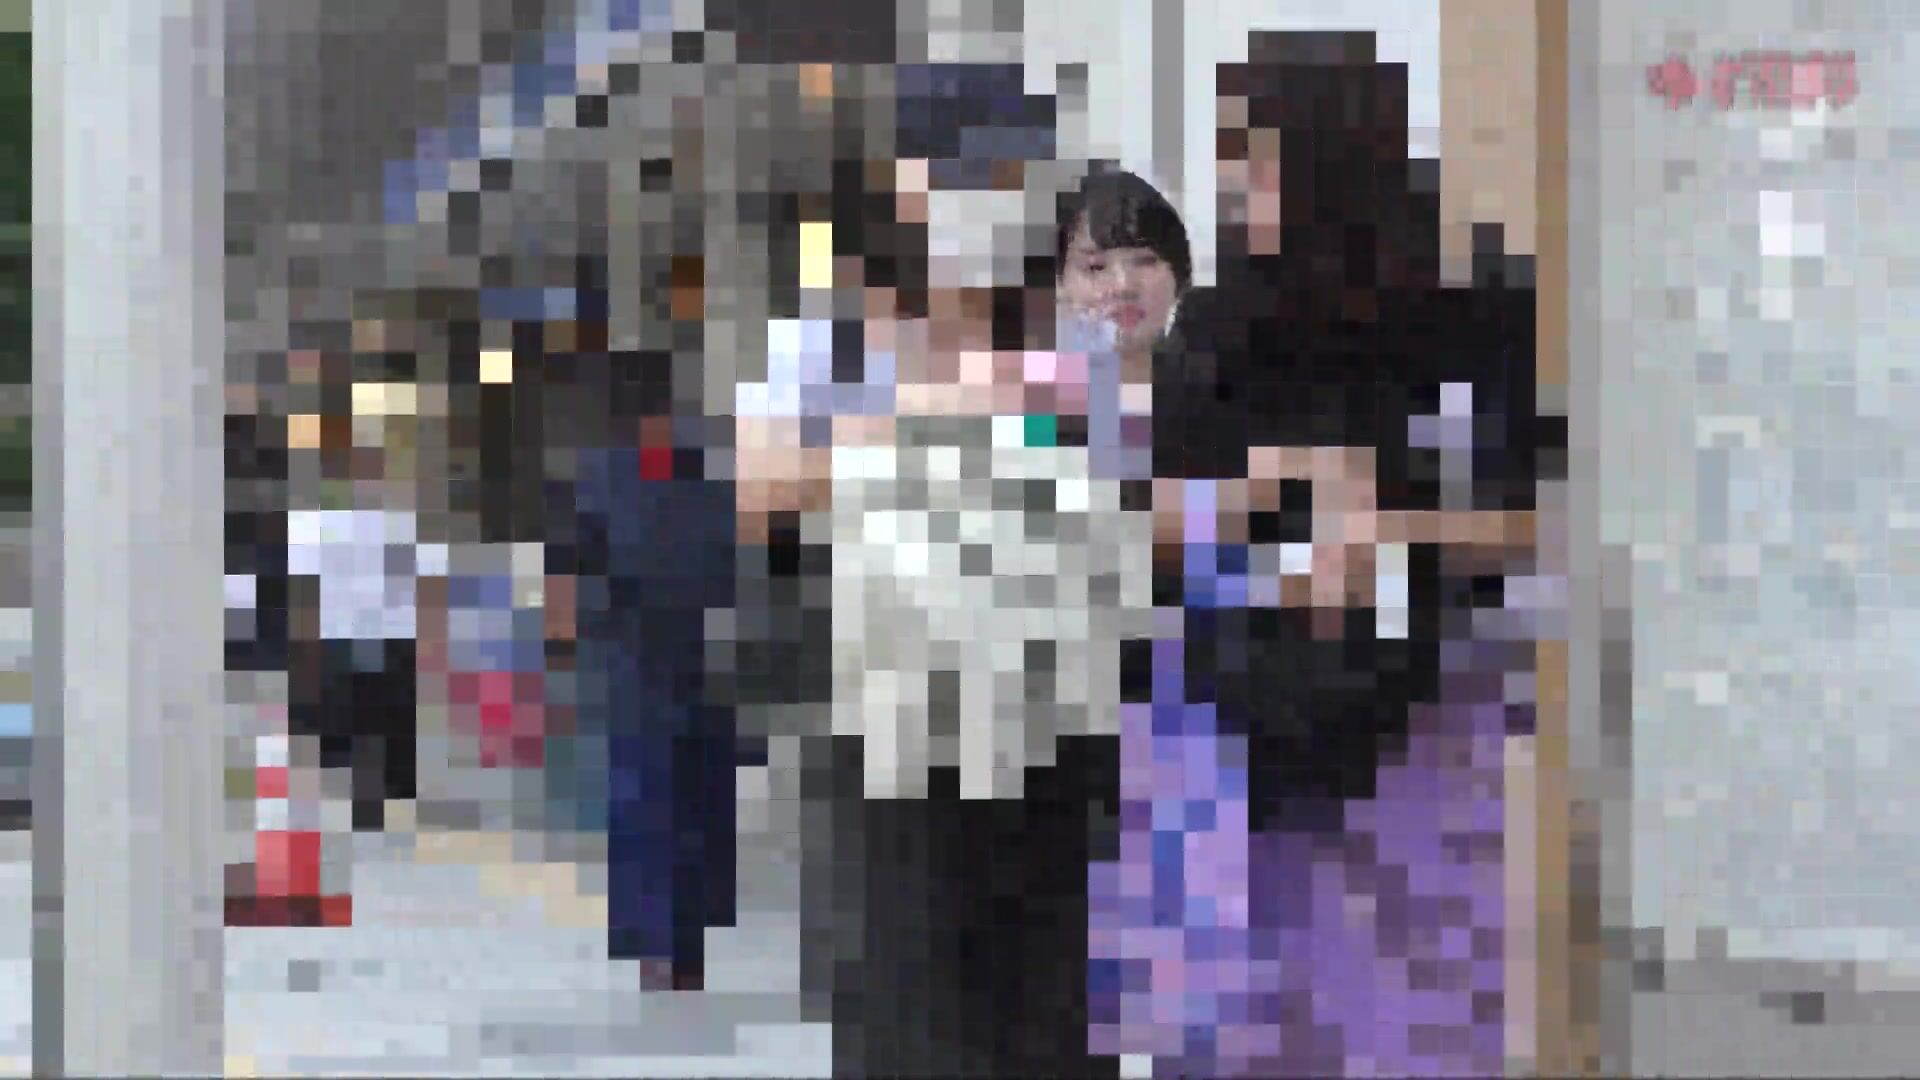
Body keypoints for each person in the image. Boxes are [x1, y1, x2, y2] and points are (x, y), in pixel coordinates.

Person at [1088, 30, 1548, 1077]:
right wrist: (1276, 507)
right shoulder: (1224, 326)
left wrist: (1392, 536)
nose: (1237, 189)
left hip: (1429, 717)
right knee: (1262, 1009)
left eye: (1255, 159)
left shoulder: (1477, 311)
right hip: (1249, 728)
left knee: (1413, 1008)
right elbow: (1149, 512)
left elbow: (1544, 513)